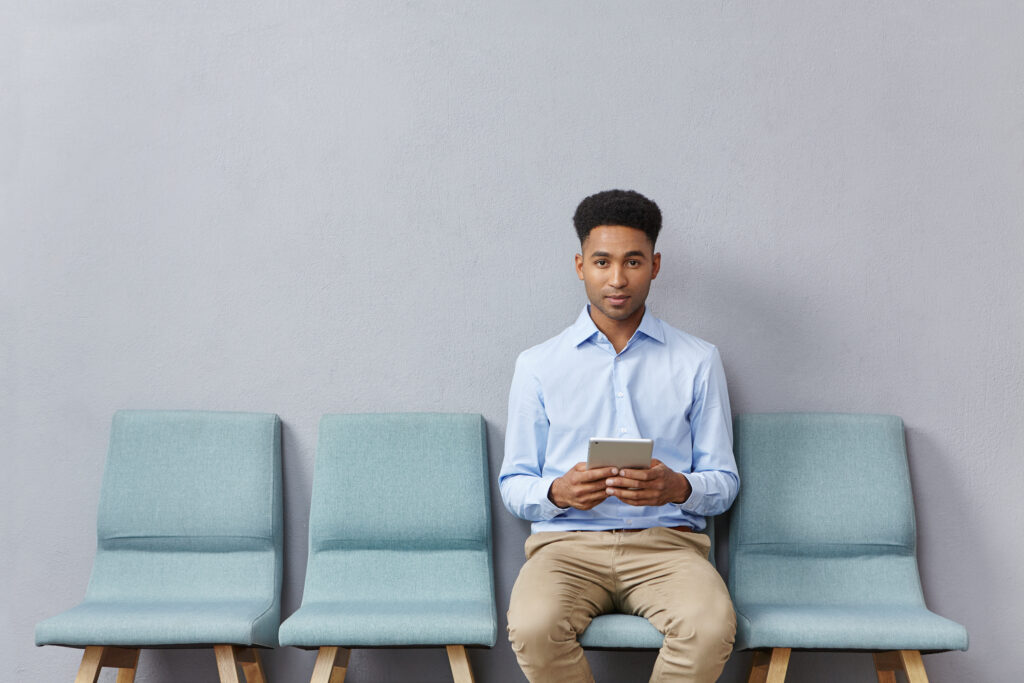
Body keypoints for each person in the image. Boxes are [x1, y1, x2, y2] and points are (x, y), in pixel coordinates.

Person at [499, 189, 739, 683]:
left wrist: (680, 488)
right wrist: (555, 491)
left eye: (632, 262)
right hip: (565, 546)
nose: (616, 279)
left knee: (710, 627)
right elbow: (514, 483)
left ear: (654, 265)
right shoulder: (538, 365)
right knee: (533, 626)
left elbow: (725, 480)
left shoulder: (698, 360)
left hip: (667, 545)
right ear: (579, 265)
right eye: (602, 261)